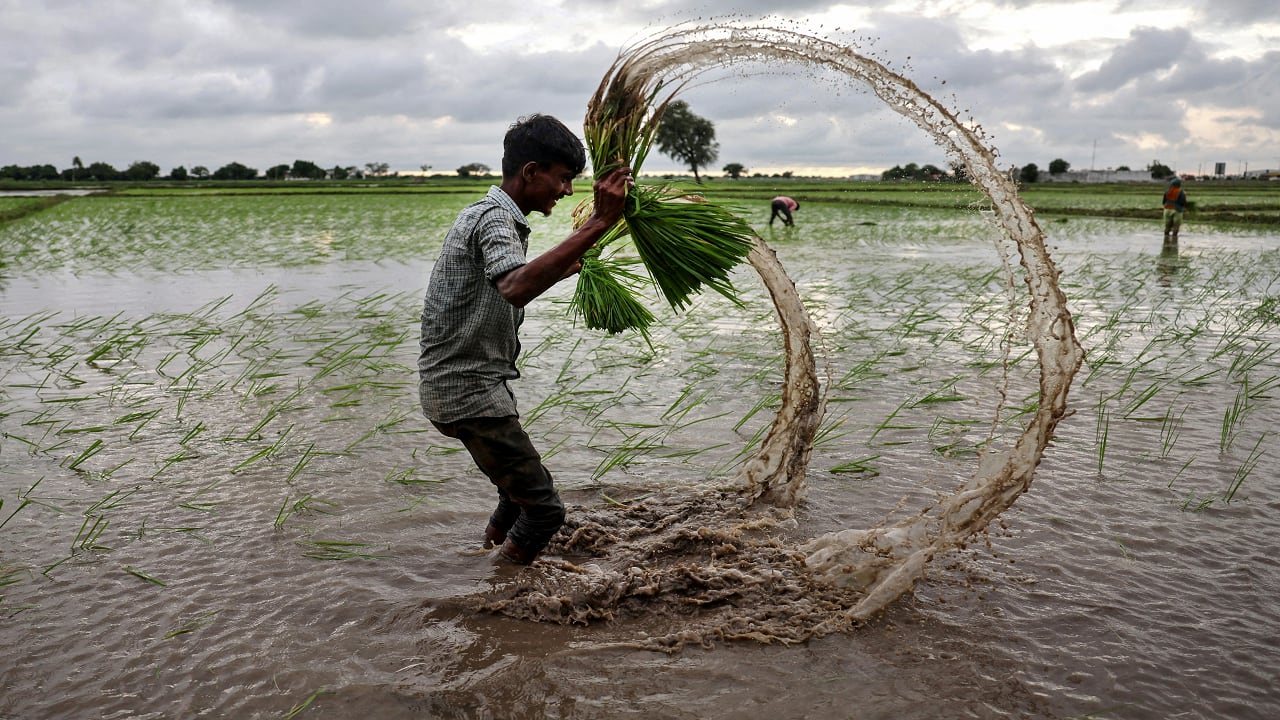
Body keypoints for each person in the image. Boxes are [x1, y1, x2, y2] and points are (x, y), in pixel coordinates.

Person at [418, 114, 631, 565]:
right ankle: (497, 595)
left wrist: (570, 258)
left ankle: (481, 559)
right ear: (531, 171)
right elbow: (515, 286)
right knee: (545, 511)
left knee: (515, 498)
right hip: (468, 393)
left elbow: (503, 290)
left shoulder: (493, 216)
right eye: (563, 179)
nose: (568, 190)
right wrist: (598, 221)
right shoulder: (495, 219)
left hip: (466, 387)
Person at [1162, 177, 1186, 248]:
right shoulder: (1181, 192)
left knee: (1167, 227)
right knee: (1176, 227)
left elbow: (1163, 202)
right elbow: (1183, 202)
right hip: (1177, 210)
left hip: (1167, 210)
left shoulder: (1167, 191)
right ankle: (1174, 243)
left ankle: (1166, 243)